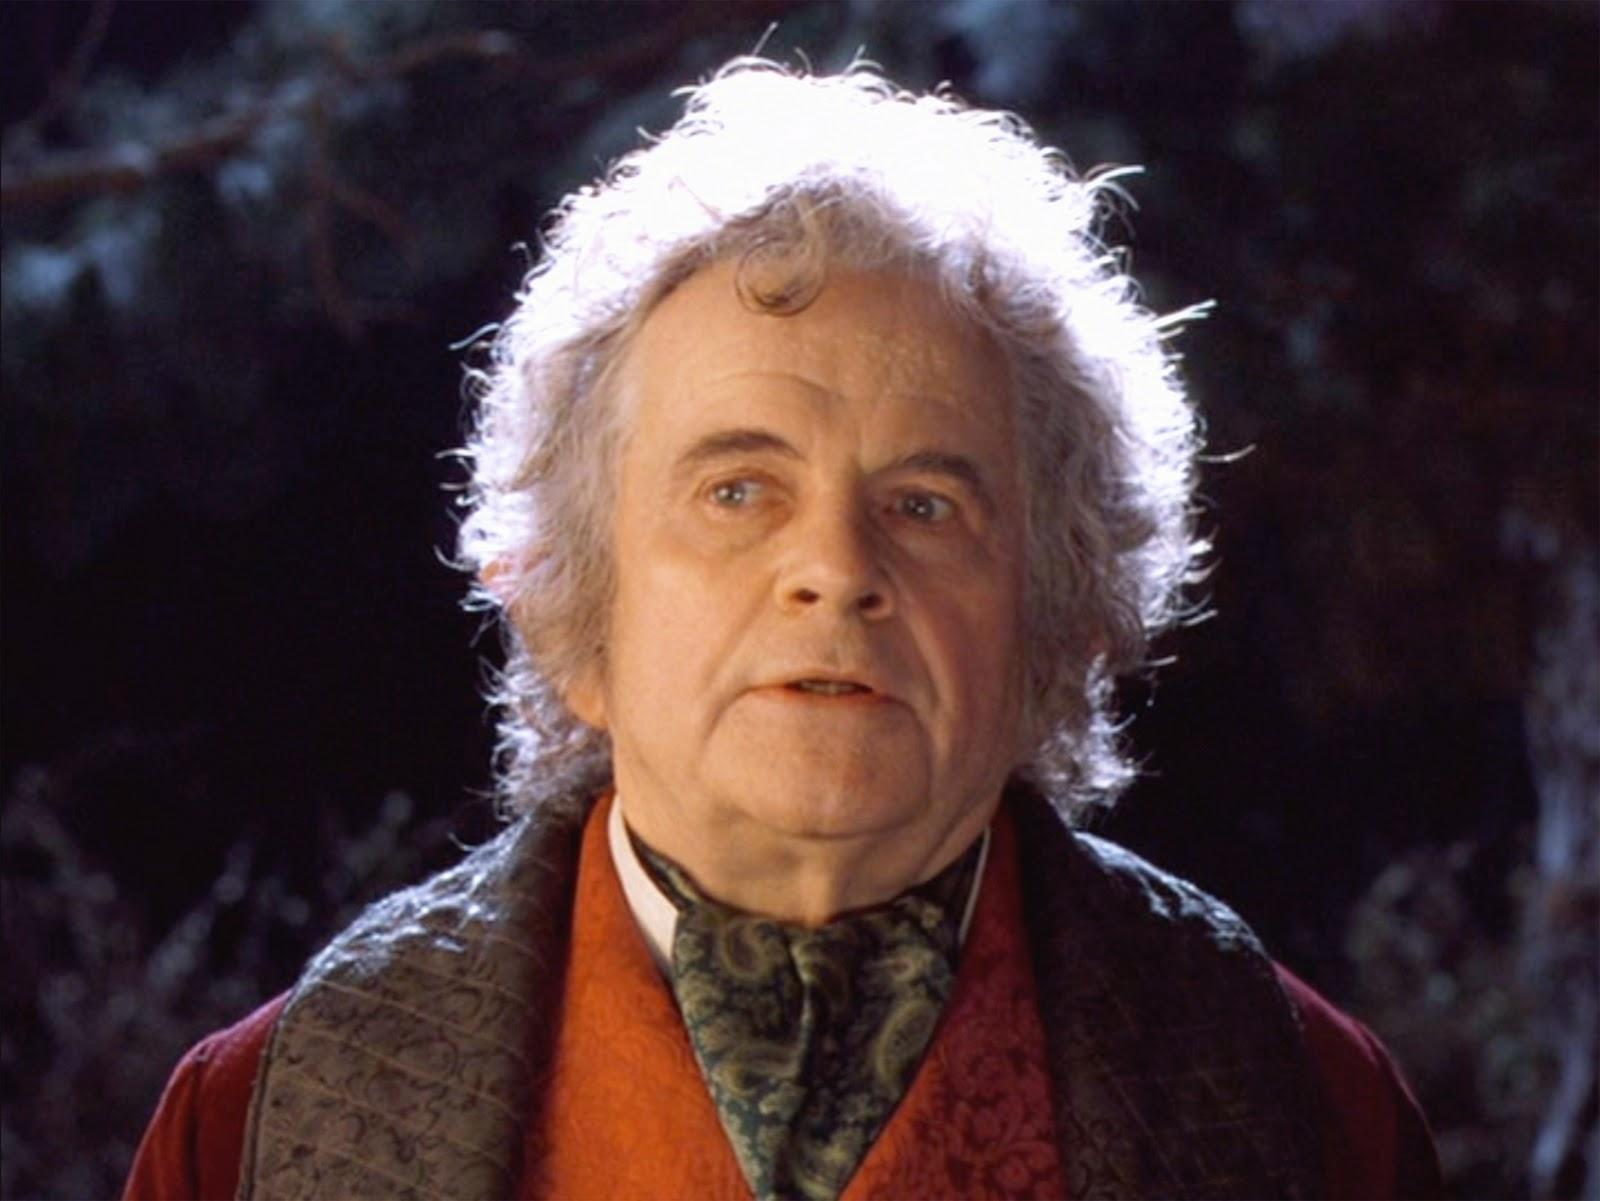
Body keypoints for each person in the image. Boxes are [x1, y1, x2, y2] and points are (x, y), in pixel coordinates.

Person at [125, 59, 1441, 1199]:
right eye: (737, 492)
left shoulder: (1319, 1114)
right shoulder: (244, 1132)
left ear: (1055, 625)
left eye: (925, 504)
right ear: (576, 613)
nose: (835, 570)